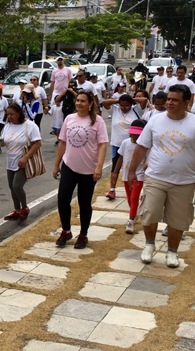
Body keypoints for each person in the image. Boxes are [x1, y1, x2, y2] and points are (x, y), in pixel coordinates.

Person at [129, 84, 195, 268]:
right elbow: (142, 146)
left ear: (186, 102)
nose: (169, 102)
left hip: (184, 181)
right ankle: (149, 245)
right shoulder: (155, 120)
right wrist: (131, 171)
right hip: (155, 177)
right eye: (168, 99)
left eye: (174, 100)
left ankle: (172, 252)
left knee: (178, 218)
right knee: (149, 213)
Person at [53, 91, 108, 249]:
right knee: (63, 199)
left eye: (83, 101)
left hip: (88, 169)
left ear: (90, 104)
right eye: (77, 100)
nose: (79, 103)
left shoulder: (98, 121)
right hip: (69, 166)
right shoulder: (69, 118)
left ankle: (83, 234)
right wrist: (57, 164)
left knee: (84, 203)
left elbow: (102, 144)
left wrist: (99, 166)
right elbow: (62, 142)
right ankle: (66, 230)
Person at [1, 104, 42, 221]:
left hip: (24, 161)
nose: (10, 117)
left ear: (19, 113)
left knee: (17, 186)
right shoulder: (7, 126)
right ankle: (17, 210)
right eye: (8, 114)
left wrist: (25, 157)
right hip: (10, 161)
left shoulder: (29, 125)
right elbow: (4, 142)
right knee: (11, 186)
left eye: (12, 114)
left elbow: (38, 143)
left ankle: (24, 208)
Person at [102, 94, 148, 199]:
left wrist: (130, 100)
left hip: (133, 144)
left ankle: (138, 187)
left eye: (126, 106)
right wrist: (118, 101)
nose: (124, 108)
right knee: (115, 168)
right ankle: (112, 190)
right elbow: (105, 102)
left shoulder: (136, 109)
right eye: (122, 106)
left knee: (135, 167)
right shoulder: (115, 110)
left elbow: (144, 100)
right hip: (118, 144)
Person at [112, 120, 148, 234]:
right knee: (130, 199)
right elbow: (121, 158)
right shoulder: (125, 143)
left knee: (134, 197)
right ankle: (134, 213)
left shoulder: (145, 146)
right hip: (126, 176)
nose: (135, 136)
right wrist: (115, 172)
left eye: (138, 134)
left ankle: (131, 221)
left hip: (139, 176)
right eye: (133, 133)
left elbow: (148, 159)